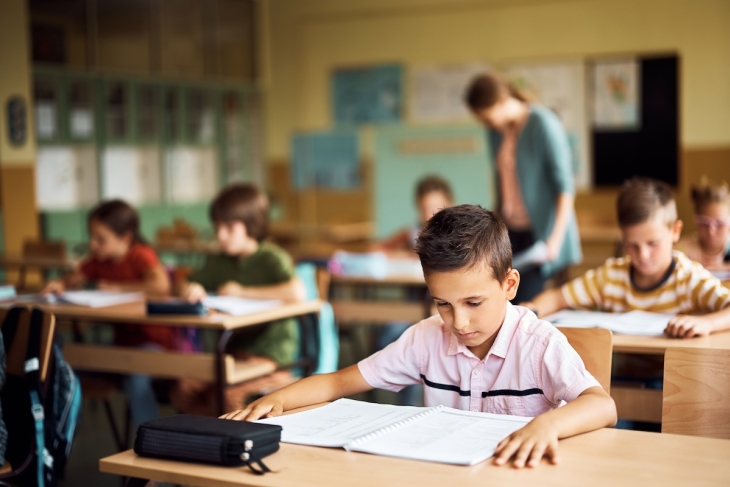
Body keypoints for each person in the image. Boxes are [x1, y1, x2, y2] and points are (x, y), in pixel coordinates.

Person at [223, 205, 617, 469]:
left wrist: (548, 426)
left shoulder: (538, 343)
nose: (459, 322)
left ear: (510, 284)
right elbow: (340, 381)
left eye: (473, 302)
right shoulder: (426, 339)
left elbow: (601, 406)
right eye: (442, 304)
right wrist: (274, 401)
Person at [524, 177, 730, 338]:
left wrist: (707, 323)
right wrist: (530, 310)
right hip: (619, 375)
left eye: (653, 243)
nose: (643, 255)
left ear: (675, 232)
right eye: (632, 245)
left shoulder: (689, 278)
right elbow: (558, 297)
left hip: (675, 375)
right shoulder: (612, 276)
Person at [171, 183, 306, 415]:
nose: (221, 235)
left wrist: (241, 291)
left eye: (230, 227)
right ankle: (204, 442)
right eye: (217, 227)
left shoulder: (271, 258)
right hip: (233, 355)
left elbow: (297, 293)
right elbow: (183, 282)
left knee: (228, 395)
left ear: (251, 225)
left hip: (272, 359)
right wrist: (188, 288)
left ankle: (234, 444)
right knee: (185, 388)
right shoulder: (220, 261)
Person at [42, 199, 172, 429]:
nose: (93, 244)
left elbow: (160, 285)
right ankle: (55, 438)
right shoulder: (100, 260)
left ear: (125, 238)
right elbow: (75, 275)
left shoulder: (140, 254)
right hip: (120, 347)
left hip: (153, 345)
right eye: (91, 237)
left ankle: (154, 441)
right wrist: (60, 283)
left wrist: (117, 287)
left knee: (137, 380)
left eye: (100, 239)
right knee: (60, 366)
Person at [465, 72, 581, 302]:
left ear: (501, 102)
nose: (485, 124)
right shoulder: (495, 132)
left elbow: (565, 187)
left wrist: (554, 240)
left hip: (542, 236)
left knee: (526, 307)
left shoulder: (543, 123)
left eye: (486, 118)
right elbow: (502, 182)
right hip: (511, 232)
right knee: (497, 300)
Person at [369, 175, 454, 406]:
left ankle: (409, 402)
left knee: (425, 343)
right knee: (388, 334)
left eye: (436, 207)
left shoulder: (456, 234)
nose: (430, 214)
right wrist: (405, 255)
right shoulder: (414, 232)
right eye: (425, 208)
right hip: (411, 307)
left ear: (450, 204)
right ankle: (391, 395)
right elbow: (376, 249)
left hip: (439, 310)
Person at [676, 178, 730, 272]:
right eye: (704, 223)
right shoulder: (681, 251)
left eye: (720, 224)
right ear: (696, 220)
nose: (711, 231)